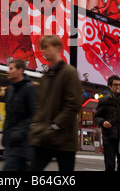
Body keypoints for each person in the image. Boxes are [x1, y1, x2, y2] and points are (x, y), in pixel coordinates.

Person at [28, 35, 82, 171]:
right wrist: (36, 124)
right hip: (45, 137)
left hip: (64, 139)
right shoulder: (45, 76)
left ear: (58, 48)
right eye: (42, 48)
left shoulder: (69, 72)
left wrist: (56, 125)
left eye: (46, 47)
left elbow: (74, 104)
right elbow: (39, 105)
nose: (43, 51)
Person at [94, 75, 120, 171]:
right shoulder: (104, 100)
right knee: (110, 165)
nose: (118, 87)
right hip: (109, 137)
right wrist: (103, 122)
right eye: (115, 85)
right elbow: (96, 117)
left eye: (119, 84)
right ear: (110, 86)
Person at [2, 59, 36, 171]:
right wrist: (5, 133)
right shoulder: (10, 90)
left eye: (11, 69)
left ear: (20, 70)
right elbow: (8, 114)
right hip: (10, 140)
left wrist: (20, 132)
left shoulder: (29, 88)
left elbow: (33, 114)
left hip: (22, 142)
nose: (8, 71)